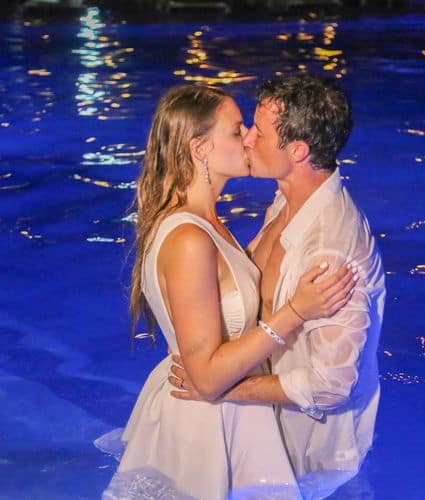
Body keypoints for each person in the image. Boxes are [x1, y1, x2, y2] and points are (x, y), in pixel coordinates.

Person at [95, 84, 359, 500]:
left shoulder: (206, 223)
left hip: (224, 419)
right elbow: (206, 377)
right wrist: (294, 312)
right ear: (201, 149)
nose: (249, 140)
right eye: (238, 131)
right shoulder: (189, 238)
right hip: (208, 427)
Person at [171, 75, 386, 499]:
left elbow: (330, 385)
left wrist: (223, 387)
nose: (247, 140)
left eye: (259, 132)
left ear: (298, 151)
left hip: (311, 462)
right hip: (265, 435)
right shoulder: (288, 200)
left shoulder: (331, 252)